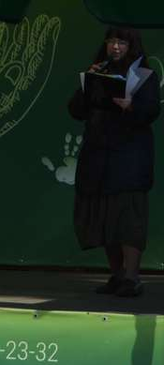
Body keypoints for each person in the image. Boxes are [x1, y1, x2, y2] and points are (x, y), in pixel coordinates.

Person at [68, 27, 159, 298]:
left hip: (129, 157)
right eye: (112, 41)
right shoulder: (98, 71)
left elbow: (152, 110)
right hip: (98, 155)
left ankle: (132, 277)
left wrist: (130, 106)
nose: (116, 46)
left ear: (132, 46)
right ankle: (117, 275)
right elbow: (75, 110)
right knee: (105, 218)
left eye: (122, 42)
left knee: (128, 217)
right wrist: (88, 85)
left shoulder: (146, 76)